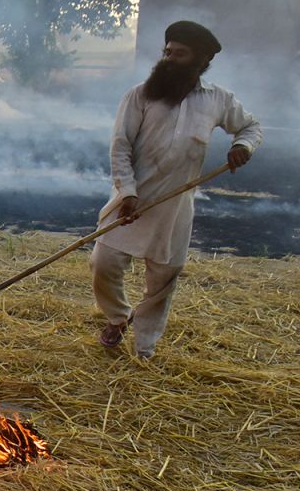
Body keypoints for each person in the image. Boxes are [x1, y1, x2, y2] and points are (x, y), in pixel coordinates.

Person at [92, 20, 263, 357]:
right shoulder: (139, 95)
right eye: (167, 52)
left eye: (180, 54)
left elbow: (250, 126)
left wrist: (243, 146)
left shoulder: (217, 99)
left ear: (201, 61)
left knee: (162, 281)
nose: (169, 59)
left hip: (176, 206)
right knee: (104, 262)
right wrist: (127, 192)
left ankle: (144, 349)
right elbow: (120, 147)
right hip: (132, 199)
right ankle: (117, 317)